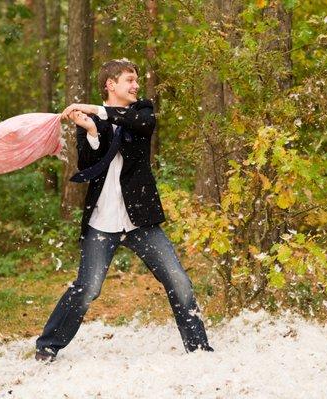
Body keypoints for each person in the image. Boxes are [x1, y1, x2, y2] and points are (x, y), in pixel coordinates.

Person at [35, 59, 212, 361]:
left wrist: (97, 112)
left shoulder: (142, 111)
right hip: (102, 222)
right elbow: (88, 168)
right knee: (87, 288)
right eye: (129, 80)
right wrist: (91, 132)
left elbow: (139, 124)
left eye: (136, 80)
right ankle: (48, 345)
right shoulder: (92, 121)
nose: (136, 85)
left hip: (140, 220)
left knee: (178, 280)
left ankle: (198, 348)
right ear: (110, 84)